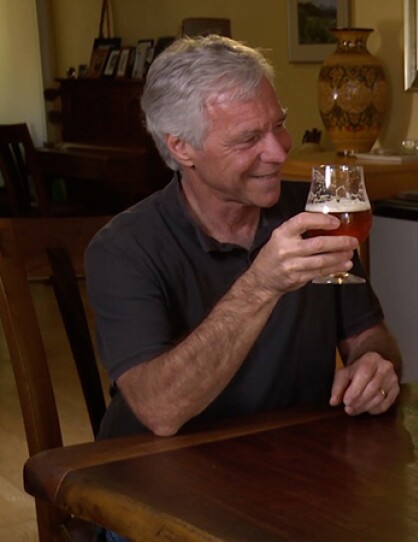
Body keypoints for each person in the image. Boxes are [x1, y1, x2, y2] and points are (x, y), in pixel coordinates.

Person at [86, 35, 401, 441]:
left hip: (294, 461)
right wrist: (261, 285)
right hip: (161, 473)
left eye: (279, 125)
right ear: (182, 148)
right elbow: (160, 410)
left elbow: (368, 335)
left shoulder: (316, 214)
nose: (278, 151)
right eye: (249, 138)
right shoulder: (123, 249)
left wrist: (375, 364)